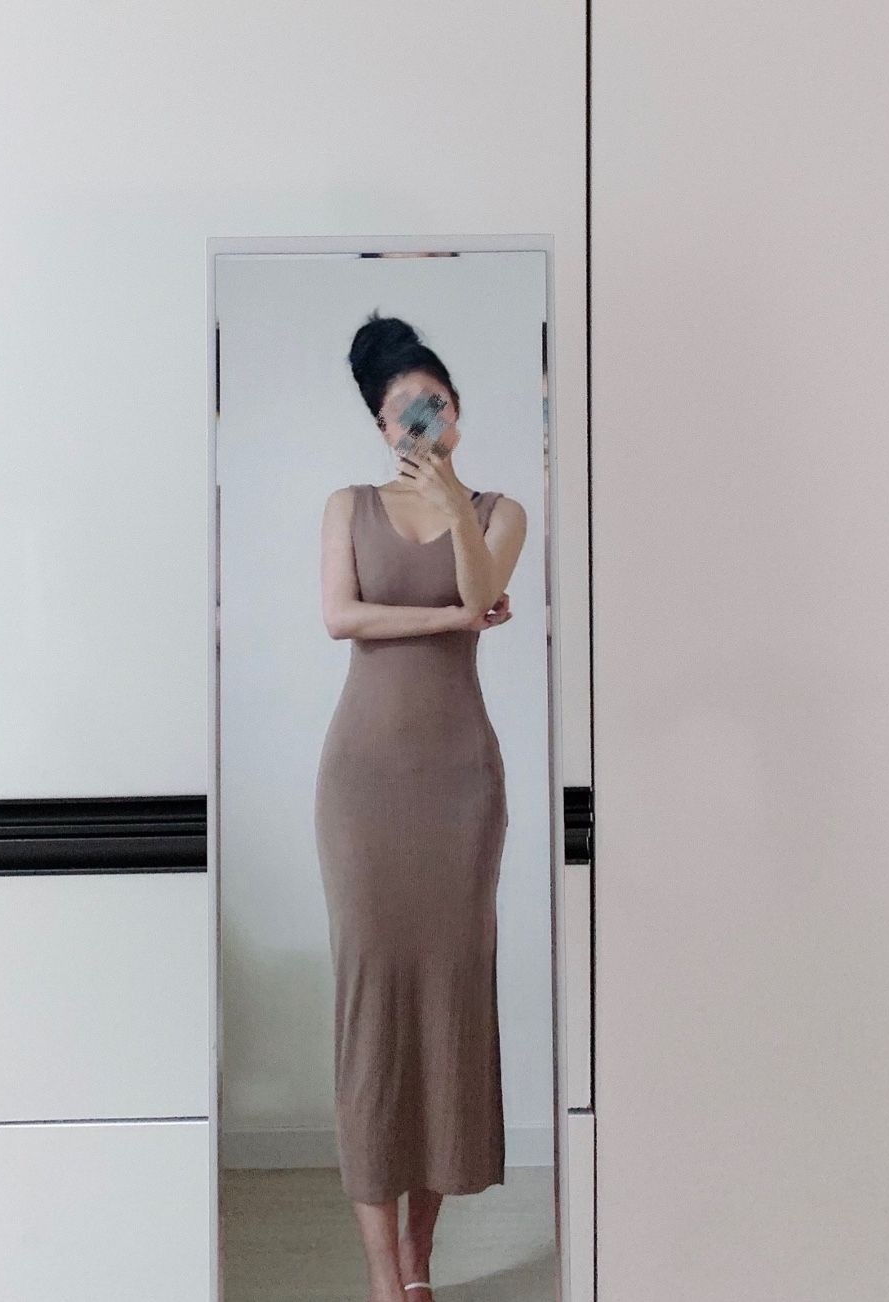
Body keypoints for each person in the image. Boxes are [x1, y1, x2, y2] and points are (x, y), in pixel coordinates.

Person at [313, 311, 528, 1302]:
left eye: (436, 404)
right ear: (380, 428)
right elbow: (340, 617)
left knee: (449, 1000)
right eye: (406, 414)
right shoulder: (347, 505)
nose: (425, 424)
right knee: (372, 1006)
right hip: (363, 784)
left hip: (459, 785)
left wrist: (452, 511)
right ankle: (379, 1272)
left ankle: (420, 1259)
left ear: (458, 408)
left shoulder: (499, 511)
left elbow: (486, 590)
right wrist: (448, 616)